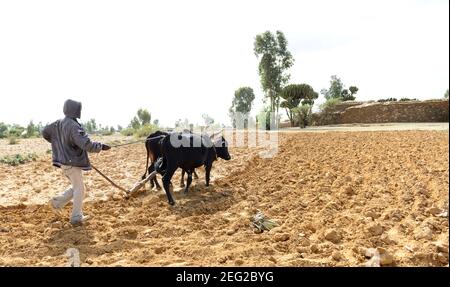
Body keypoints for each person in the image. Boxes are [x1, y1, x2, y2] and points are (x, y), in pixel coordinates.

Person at [43, 99, 111, 226]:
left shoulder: (57, 123)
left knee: (76, 186)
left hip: (64, 161)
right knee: (80, 188)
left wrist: (59, 144)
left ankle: (57, 203)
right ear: (75, 110)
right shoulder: (73, 126)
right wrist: (101, 146)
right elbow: (85, 144)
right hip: (71, 162)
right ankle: (76, 217)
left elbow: (45, 132)